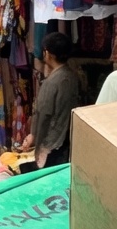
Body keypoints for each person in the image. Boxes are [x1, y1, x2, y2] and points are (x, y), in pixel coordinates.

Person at [23, 32, 79, 168]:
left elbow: (43, 114)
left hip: (52, 143)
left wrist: (35, 137)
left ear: (48, 53)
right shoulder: (72, 76)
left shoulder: (53, 82)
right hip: (67, 140)